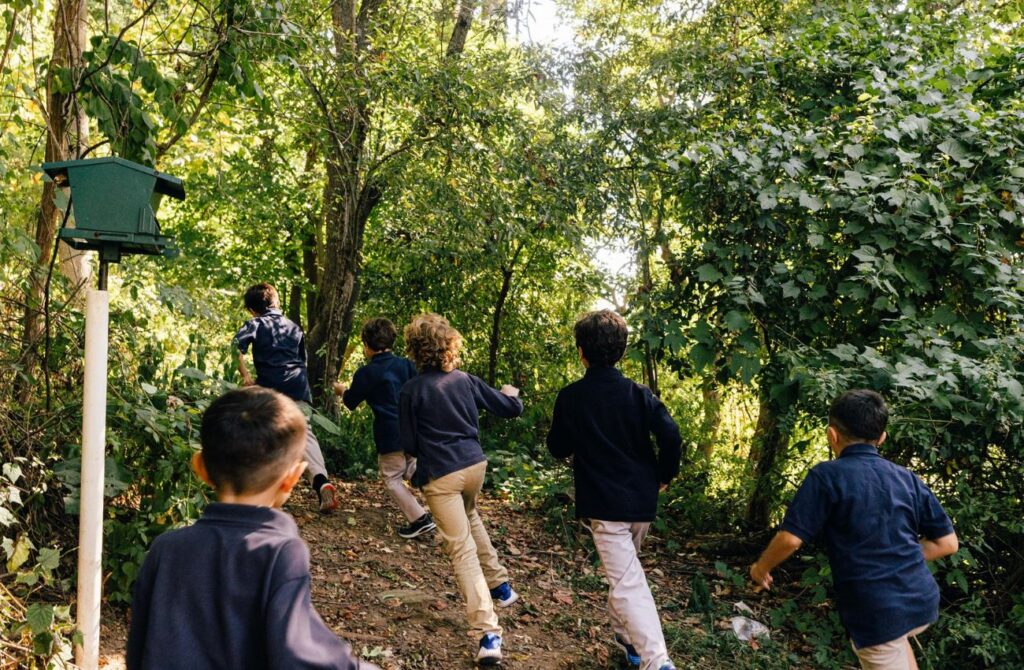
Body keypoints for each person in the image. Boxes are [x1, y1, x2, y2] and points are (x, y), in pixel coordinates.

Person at [126, 387, 379, 670]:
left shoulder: (165, 548)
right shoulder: (280, 552)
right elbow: (300, 652)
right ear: (292, 478)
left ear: (200, 467)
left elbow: (139, 646)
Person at [749, 389, 959, 670]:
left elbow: (790, 539)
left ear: (831, 435)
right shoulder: (907, 479)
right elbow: (948, 544)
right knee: (898, 645)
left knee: (889, 644)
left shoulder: (827, 477)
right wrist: (898, 557)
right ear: (882, 437)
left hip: (877, 611)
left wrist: (761, 568)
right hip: (920, 600)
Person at [546, 309, 682, 670]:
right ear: (622, 351)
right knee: (626, 574)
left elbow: (557, 447)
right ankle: (626, 640)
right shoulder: (639, 394)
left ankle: (657, 661)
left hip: (604, 503)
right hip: (641, 500)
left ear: (581, 352)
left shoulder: (572, 397)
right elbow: (671, 434)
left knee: (626, 582)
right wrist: (665, 473)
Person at [398, 313, 523, 666]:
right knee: (470, 515)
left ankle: (489, 635)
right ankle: (501, 586)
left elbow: (408, 443)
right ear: (449, 345)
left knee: (461, 551)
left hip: (442, 474)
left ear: (415, 350)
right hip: (474, 467)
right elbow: (509, 407)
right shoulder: (466, 380)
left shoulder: (411, 391)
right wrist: (511, 394)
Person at [234, 282, 338, 513]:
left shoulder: (254, 323)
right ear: (276, 302)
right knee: (303, 435)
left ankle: (267, 492)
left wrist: (246, 375)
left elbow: (235, 348)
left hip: (270, 390)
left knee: (265, 435)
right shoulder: (294, 327)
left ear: (252, 309)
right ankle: (322, 481)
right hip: (299, 389)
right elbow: (303, 361)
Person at [333, 317, 434, 538]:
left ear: (366, 345)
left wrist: (341, 390)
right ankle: (433, 488)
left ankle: (420, 519)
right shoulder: (407, 365)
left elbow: (351, 402)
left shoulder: (366, 373)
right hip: (413, 429)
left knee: (392, 478)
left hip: (389, 432)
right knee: (410, 466)